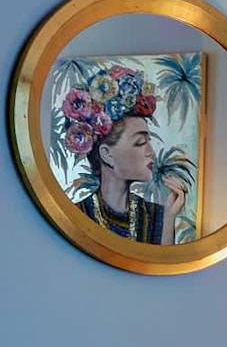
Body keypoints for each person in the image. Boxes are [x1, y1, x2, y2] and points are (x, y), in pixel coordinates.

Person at [61, 68, 186, 244]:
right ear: (107, 154)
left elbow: (164, 260)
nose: (151, 152)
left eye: (148, 141)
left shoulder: (158, 215)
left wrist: (169, 219)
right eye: (140, 142)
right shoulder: (76, 215)